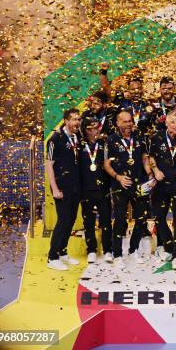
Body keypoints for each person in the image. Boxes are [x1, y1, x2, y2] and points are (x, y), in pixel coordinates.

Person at [104, 110, 154, 267]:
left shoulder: (140, 137)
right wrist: (118, 177)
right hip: (120, 185)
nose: (128, 124)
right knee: (119, 220)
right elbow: (106, 164)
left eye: (130, 121)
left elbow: (145, 158)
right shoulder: (111, 140)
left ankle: (133, 250)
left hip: (140, 184)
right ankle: (117, 254)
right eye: (125, 121)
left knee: (141, 218)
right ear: (118, 123)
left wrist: (150, 174)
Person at [148, 110, 176, 269]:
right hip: (161, 184)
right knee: (159, 217)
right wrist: (155, 170)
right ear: (166, 123)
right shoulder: (157, 137)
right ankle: (168, 247)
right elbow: (151, 156)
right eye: (173, 122)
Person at [46, 108, 82, 271]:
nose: (77, 122)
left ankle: (62, 252)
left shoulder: (77, 136)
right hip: (61, 187)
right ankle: (52, 257)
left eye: (78, 119)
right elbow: (49, 165)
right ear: (66, 121)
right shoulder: (55, 139)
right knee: (63, 220)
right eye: (74, 119)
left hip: (75, 186)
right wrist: (54, 189)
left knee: (71, 219)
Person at [79, 116, 112, 264]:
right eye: (91, 128)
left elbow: (109, 166)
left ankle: (108, 250)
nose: (95, 131)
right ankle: (91, 249)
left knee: (105, 220)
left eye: (97, 127)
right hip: (86, 189)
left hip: (103, 189)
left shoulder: (104, 144)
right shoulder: (79, 146)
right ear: (85, 130)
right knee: (89, 221)